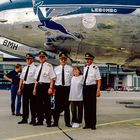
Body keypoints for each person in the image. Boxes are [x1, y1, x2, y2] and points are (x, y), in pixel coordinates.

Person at [33, 51, 56, 127]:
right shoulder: (38, 67)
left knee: (47, 105)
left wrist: (50, 88)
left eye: (43, 57)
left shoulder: (49, 66)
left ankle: (49, 122)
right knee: (38, 104)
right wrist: (34, 89)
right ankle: (40, 120)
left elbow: (52, 78)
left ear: (46, 58)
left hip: (46, 86)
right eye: (40, 57)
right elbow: (36, 80)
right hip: (39, 86)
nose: (41, 58)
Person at [53, 52, 73, 127]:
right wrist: (53, 88)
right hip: (58, 88)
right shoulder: (56, 68)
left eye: (64, 59)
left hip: (67, 89)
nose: (63, 60)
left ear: (67, 60)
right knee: (57, 106)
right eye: (62, 59)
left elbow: (72, 80)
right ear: (59, 60)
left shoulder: (70, 69)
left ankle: (67, 123)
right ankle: (55, 123)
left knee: (66, 107)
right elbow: (54, 79)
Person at [83, 52, 101, 130]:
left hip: (92, 88)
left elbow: (98, 79)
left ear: (92, 60)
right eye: (86, 59)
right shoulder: (85, 67)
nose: (87, 60)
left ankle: (93, 124)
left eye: (89, 59)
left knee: (92, 107)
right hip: (85, 88)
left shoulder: (95, 68)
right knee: (86, 107)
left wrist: (98, 89)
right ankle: (87, 124)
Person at [18, 53, 36, 124]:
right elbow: (21, 79)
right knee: (24, 103)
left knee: (32, 104)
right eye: (27, 59)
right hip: (25, 86)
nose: (28, 60)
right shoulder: (24, 68)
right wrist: (19, 88)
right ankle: (24, 119)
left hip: (31, 86)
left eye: (29, 59)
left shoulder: (35, 68)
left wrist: (35, 88)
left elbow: (36, 80)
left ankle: (33, 119)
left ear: (32, 59)